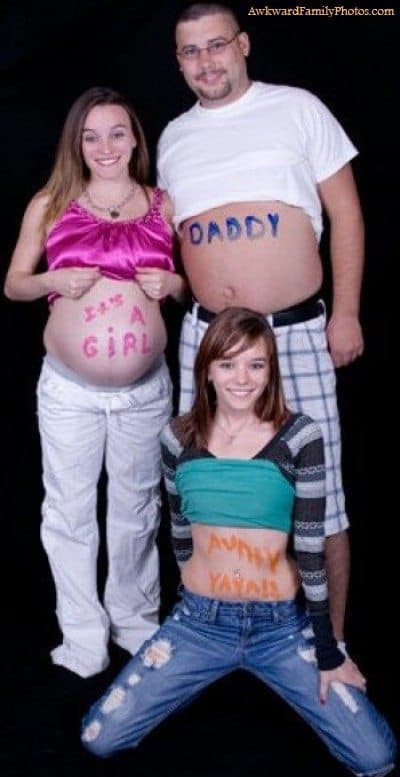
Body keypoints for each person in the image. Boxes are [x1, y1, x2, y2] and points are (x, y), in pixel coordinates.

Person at [80, 307, 396, 775]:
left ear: (271, 370)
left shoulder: (299, 436)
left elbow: (311, 549)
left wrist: (329, 653)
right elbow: (179, 527)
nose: (241, 378)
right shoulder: (176, 437)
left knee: (376, 758)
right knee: (98, 740)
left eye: (256, 364)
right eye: (227, 364)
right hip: (199, 623)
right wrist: (193, 590)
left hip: (280, 630)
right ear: (206, 369)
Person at [157, 1, 365, 642]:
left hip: (295, 333)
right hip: (208, 336)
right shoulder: (172, 138)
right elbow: (170, 237)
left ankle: (327, 645)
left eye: (215, 46)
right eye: (190, 52)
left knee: (318, 495)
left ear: (243, 44)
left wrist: (348, 312)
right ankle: (215, 629)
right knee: (206, 485)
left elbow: (348, 215)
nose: (204, 62)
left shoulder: (297, 107)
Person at [4, 86, 186, 679]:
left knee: (136, 506)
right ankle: (82, 635)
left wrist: (174, 286)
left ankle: (133, 620)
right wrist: (51, 277)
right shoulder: (51, 203)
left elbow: (190, 286)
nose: (104, 146)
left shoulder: (165, 202)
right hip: (69, 390)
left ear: (135, 137)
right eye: (91, 136)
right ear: (76, 144)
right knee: (70, 511)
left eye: (115, 133)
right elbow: (14, 285)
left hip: (143, 390)